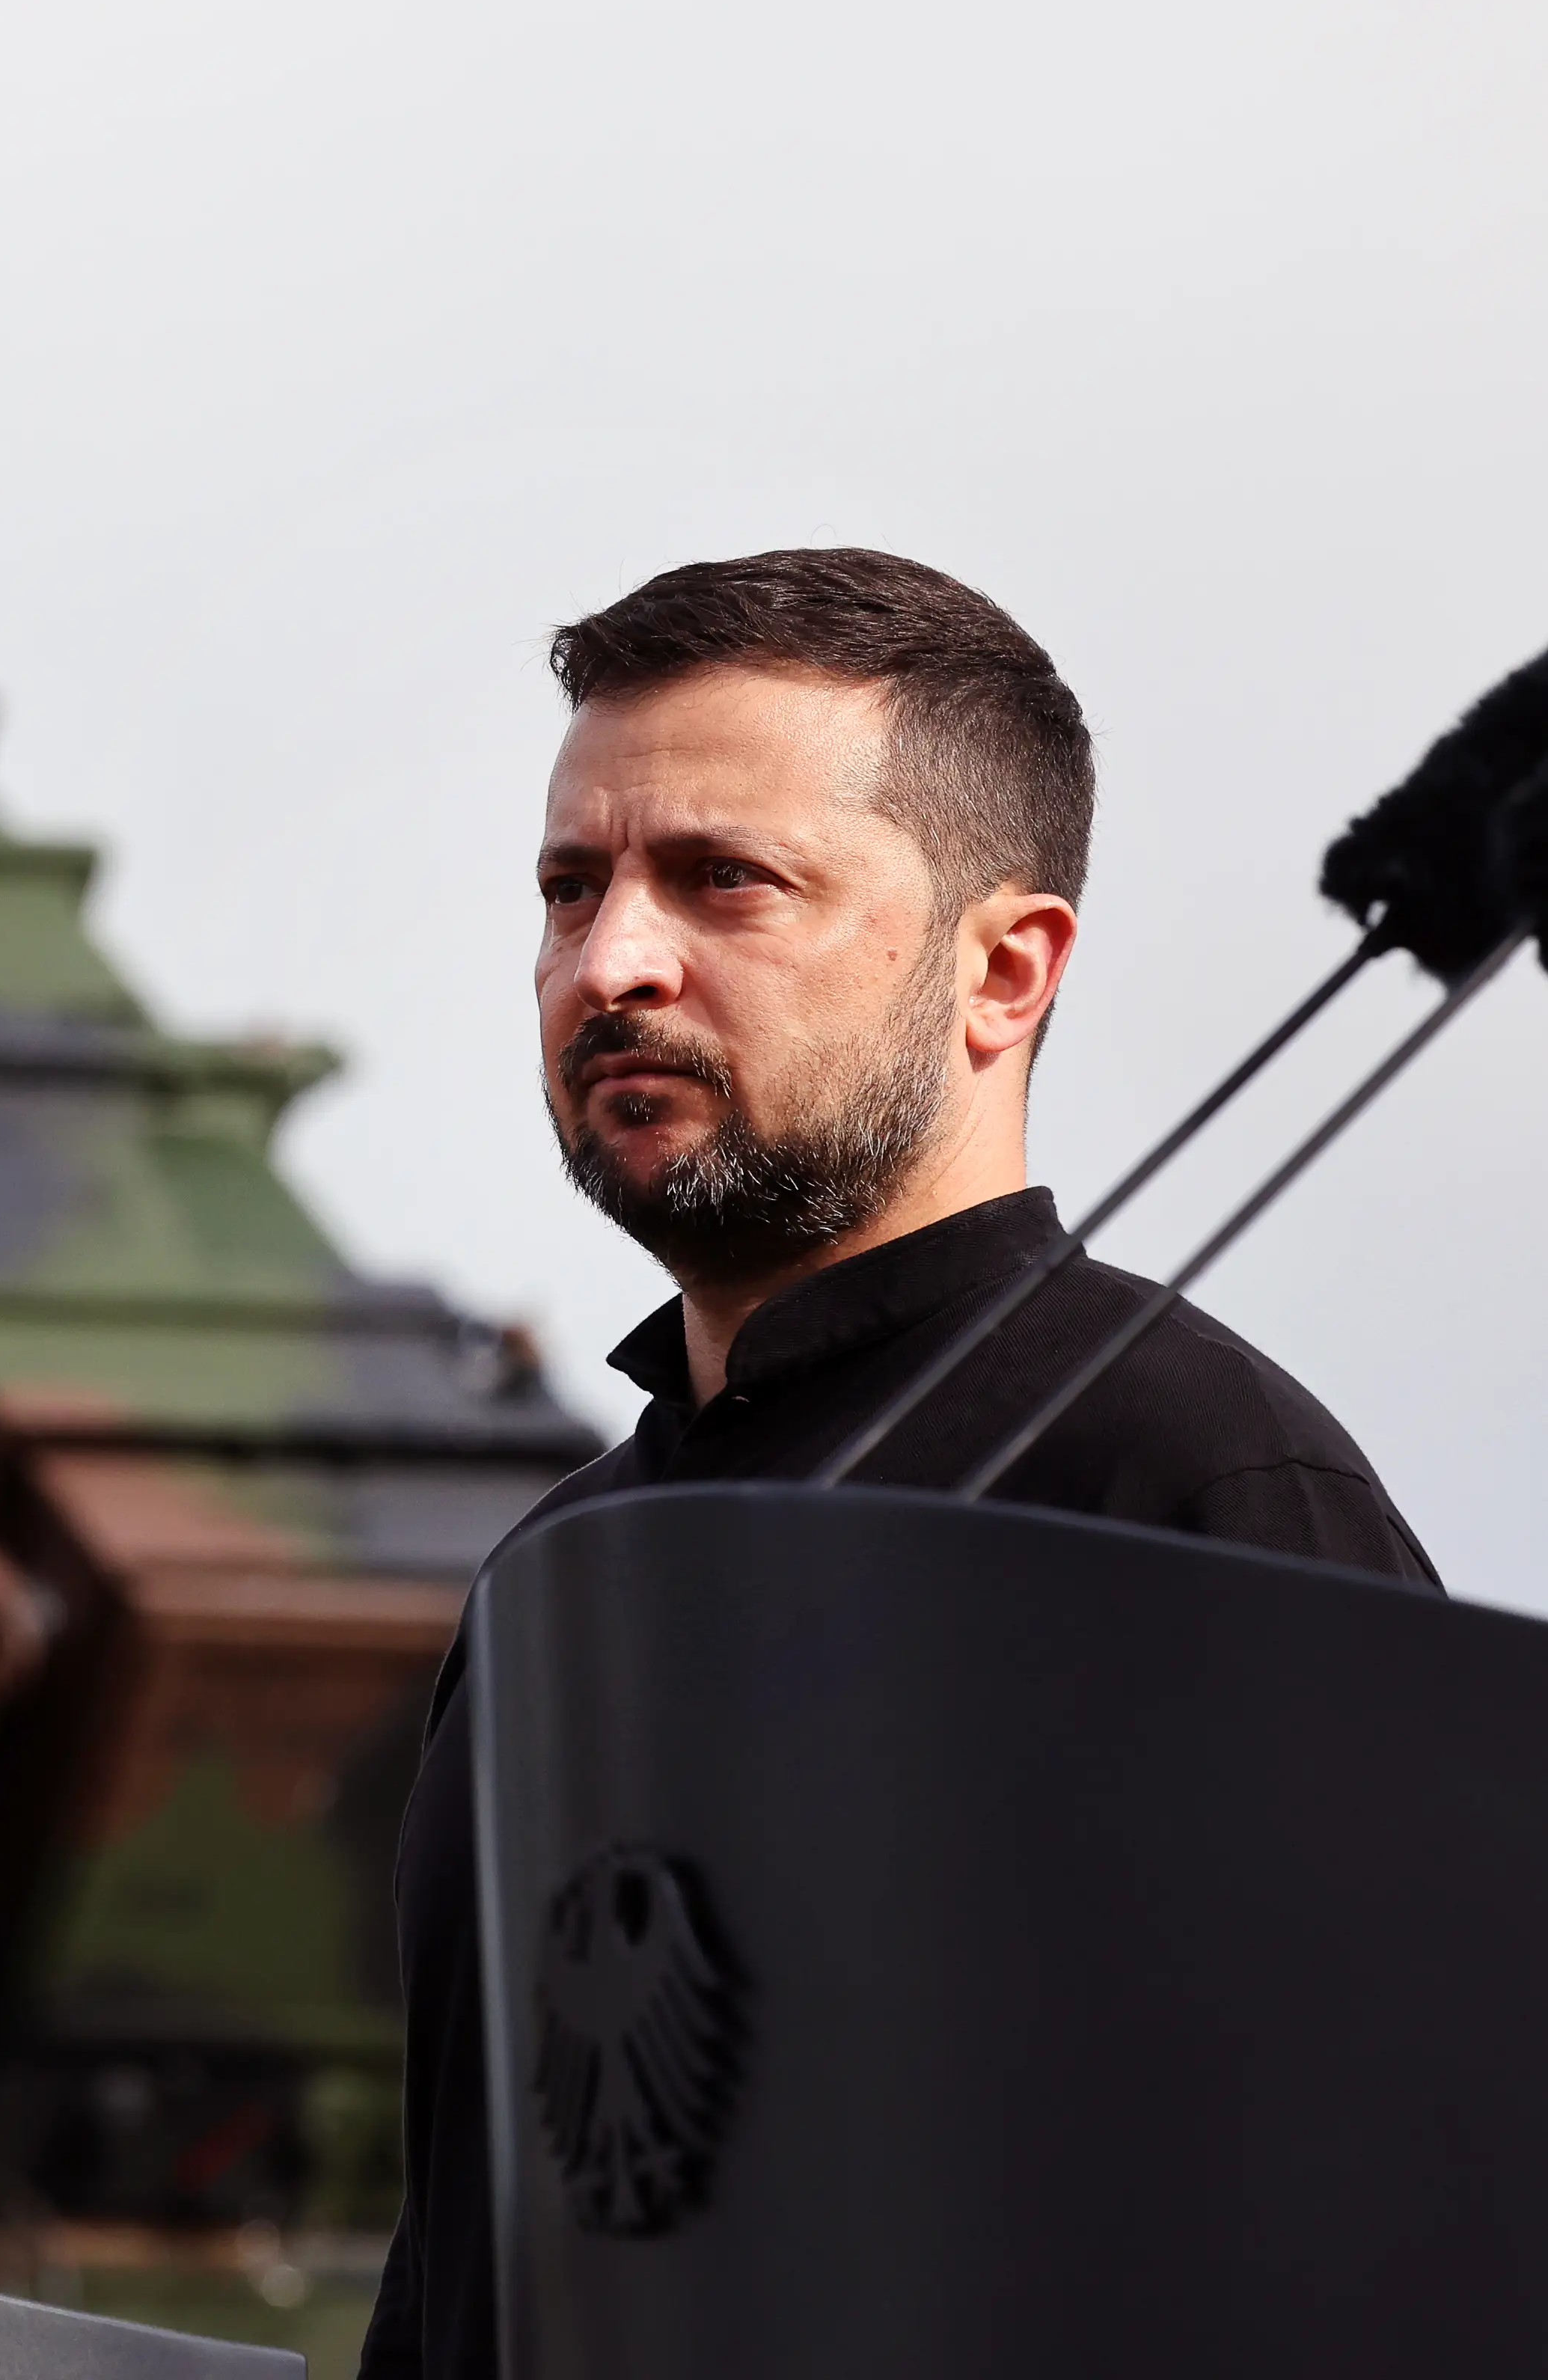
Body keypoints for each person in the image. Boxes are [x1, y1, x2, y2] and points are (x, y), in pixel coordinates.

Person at [356, 548, 1435, 2380]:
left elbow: (1408, 2249)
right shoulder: (559, 1570)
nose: (610, 960)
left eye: (724, 880)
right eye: (570, 885)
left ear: (1002, 968)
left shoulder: (1194, 1491)